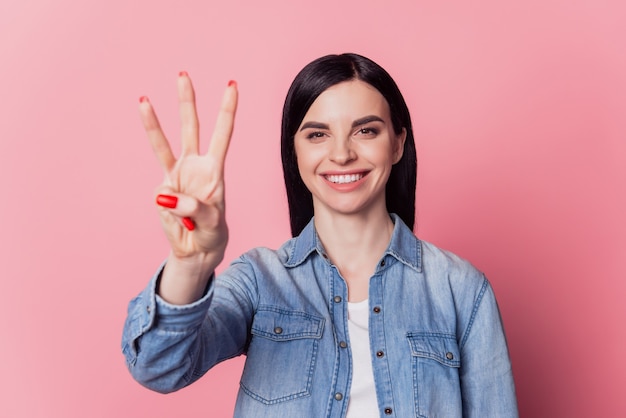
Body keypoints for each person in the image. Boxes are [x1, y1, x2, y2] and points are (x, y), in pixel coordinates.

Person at [122, 53, 518, 417]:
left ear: (398, 143)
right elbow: (157, 367)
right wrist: (190, 264)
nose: (342, 154)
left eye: (366, 131)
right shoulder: (261, 280)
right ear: (294, 151)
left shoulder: (461, 289)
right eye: (317, 134)